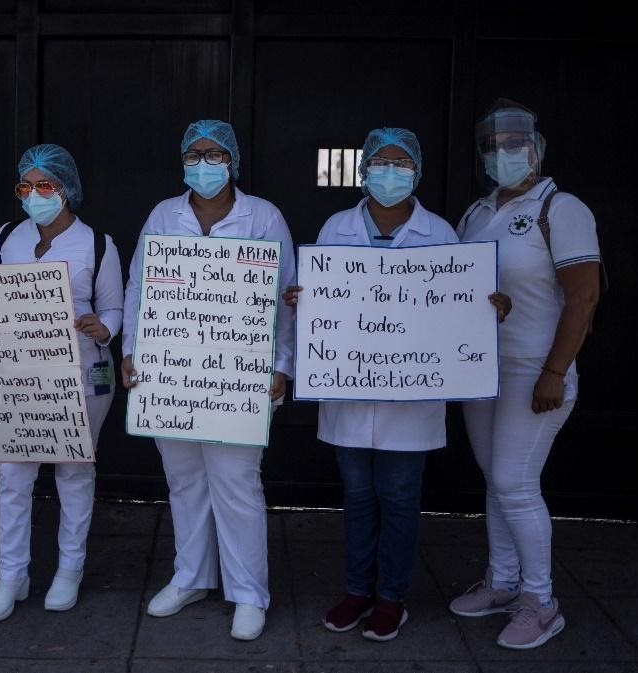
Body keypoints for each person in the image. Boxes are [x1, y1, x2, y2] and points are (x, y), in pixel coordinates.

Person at [284, 128, 507, 642]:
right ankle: (357, 589)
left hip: (413, 397)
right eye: (379, 162)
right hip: (349, 391)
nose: (389, 172)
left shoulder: (441, 233)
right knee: (358, 496)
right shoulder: (337, 226)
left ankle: (393, 598)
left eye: (400, 162)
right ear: (363, 171)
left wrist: (489, 308)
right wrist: (306, 299)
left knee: (402, 498)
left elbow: (456, 310)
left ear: (417, 171)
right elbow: (325, 295)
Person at [120, 120, 296, 642]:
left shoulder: (262, 216)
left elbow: (286, 295)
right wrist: (131, 349)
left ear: (233, 161)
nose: (203, 163)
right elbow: (138, 284)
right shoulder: (162, 214)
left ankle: (248, 593)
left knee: (236, 482)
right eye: (194, 153)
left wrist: (282, 364)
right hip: (170, 375)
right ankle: (192, 575)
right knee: (185, 480)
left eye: (214, 154)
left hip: (239, 380)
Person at [0, 144, 123, 621]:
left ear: (66, 189)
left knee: (74, 471)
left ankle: (69, 570)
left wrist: (106, 327)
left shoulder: (97, 244)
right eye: (26, 186)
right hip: (14, 377)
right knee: (13, 475)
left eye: (46, 185)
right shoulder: (7, 238)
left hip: (80, 374)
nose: (35, 195)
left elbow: (115, 307)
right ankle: (12, 573)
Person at [448, 99, 601, 650]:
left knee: (515, 481)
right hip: (480, 371)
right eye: (492, 145)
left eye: (515, 143)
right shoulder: (475, 213)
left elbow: (584, 296)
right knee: (496, 479)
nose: (504, 153)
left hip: (535, 369)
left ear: (537, 147)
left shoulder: (561, 208)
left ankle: (541, 601)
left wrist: (555, 370)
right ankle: (503, 582)